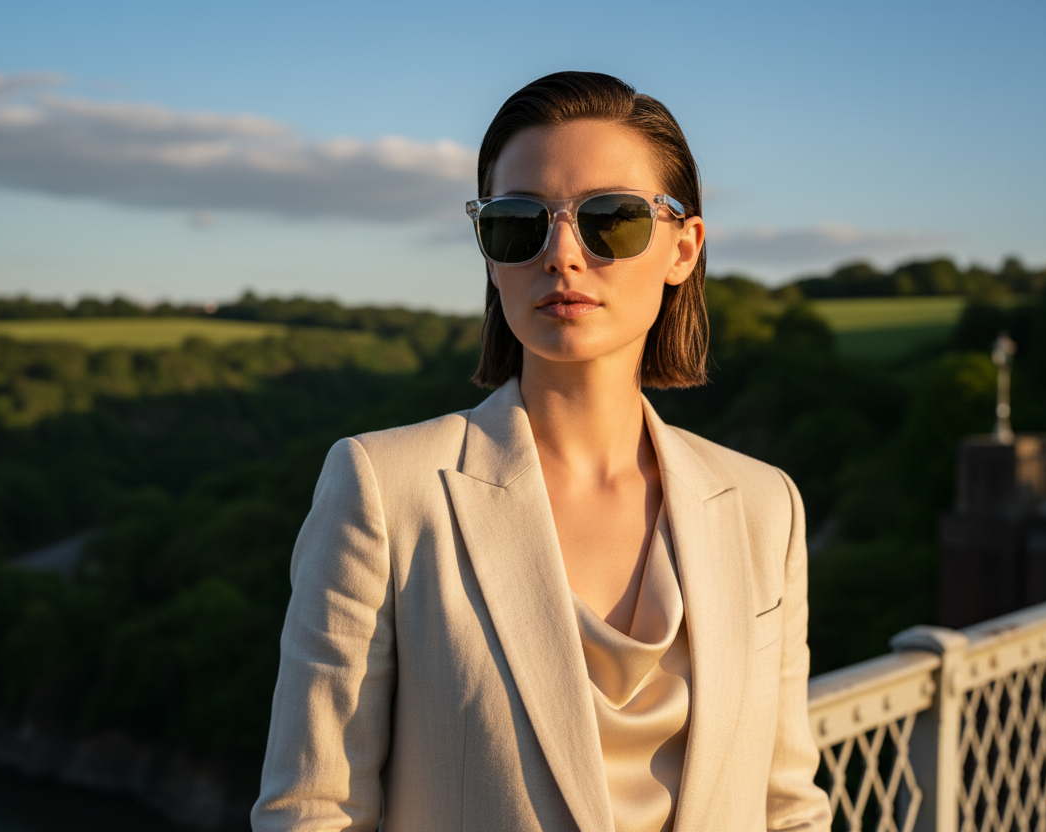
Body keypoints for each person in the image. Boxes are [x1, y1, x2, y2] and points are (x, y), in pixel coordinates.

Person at [252, 71, 831, 832]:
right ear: (488, 249)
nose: (561, 253)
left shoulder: (765, 506)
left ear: (684, 247)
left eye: (611, 220)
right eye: (520, 222)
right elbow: (313, 809)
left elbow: (786, 806)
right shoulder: (386, 490)